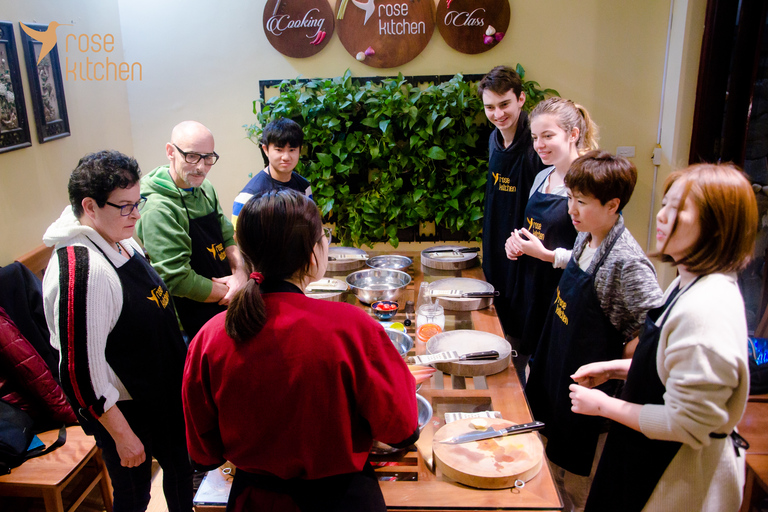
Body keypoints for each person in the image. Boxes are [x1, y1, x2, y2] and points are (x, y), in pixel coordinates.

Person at [182, 189, 419, 512]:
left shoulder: (210, 338)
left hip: (255, 501)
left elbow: (203, 453)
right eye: (325, 236)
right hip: (343, 500)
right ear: (312, 254)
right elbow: (401, 429)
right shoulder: (352, 327)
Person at [570, 163, 756, 512]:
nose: (661, 216)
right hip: (643, 452)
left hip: (676, 475)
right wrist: (616, 369)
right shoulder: (688, 280)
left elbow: (686, 423)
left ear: (718, 227)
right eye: (665, 203)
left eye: (679, 209)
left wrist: (602, 405)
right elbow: (670, 365)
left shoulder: (707, 309)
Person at [42, 151, 192, 512]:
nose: (136, 214)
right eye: (125, 206)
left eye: (136, 202)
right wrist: (123, 436)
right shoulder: (83, 271)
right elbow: (80, 375)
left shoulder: (115, 233)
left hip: (160, 393)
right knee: (134, 496)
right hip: (126, 411)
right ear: (89, 206)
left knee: (181, 471)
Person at [525, 151, 663, 512]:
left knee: (578, 493)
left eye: (581, 202)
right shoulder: (587, 236)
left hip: (591, 405)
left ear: (613, 204)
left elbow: (649, 338)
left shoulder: (628, 263)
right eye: (570, 197)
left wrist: (613, 380)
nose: (571, 209)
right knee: (551, 480)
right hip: (559, 374)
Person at [504, 97, 599, 384]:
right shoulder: (543, 176)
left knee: (554, 372)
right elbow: (531, 228)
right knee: (528, 363)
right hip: (532, 286)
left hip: (565, 295)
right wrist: (516, 243)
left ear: (573, 134)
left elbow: (596, 257)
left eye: (548, 136)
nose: (539, 145)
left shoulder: (590, 183)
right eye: (535, 137)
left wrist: (545, 254)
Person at [136, 121, 247, 339]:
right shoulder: (157, 208)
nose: (201, 167)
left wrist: (240, 273)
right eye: (192, 156)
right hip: (188, 322)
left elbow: (226, 236)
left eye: (208, 158)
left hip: (223, 306)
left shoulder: (205, 187)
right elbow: (177, 279)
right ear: (170, 152)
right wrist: (233, 291)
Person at [477, 65, 545, 340]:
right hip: (496, 236)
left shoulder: (536, 142)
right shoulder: (494, 138)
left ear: (521, 99)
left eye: (504, 104)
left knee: (524, 320)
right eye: (490, 107)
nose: (498, 114)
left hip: (526, 244)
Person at [232, 117, 313, 226]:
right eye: (279, 150)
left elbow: (311, 224)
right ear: (266, 150)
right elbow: (238, 237)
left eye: (292, 150)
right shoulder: (249, 195)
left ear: (300, 150)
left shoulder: (304, 187)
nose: (286, 157)